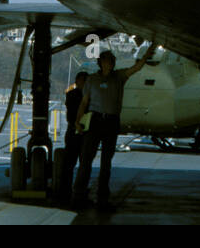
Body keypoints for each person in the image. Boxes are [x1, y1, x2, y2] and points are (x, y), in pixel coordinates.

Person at [72, 43, 157, 210]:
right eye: (106, 61)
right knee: (86, 161)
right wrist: (78, 120)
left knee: (106, 162)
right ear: (100, 63)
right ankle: (79, 196)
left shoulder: (119, 77)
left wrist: (147, 55)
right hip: (95, 120)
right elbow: (84, 102)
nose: (109, 64)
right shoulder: (92, 80)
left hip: (111, 121)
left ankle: (102, 199)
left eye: (111, 61)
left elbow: (136, 68)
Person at [55, 71, 88, 203]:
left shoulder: (73, 94)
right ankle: (68, 192)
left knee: (77, 164)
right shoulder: (75, 95)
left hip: (78, 131)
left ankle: (71, 192)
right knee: (72, 164)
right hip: (76, 131)